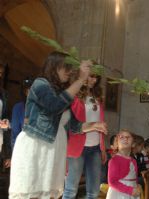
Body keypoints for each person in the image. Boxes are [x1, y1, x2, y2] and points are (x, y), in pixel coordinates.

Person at [9, 51, 105, 199]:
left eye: (70, 68)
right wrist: (80, 80)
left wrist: (94, 125)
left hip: (54, 149)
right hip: (37, 146)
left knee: (49, 195)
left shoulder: (62, 92)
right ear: (54, 66)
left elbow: (75, 126)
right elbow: (54, 106)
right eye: (65, 67)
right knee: (31, 193)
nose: (69, 71)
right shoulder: (40, 84)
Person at [63, 73, 108, 199]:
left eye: (96, 78)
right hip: (77, 147)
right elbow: (71, 123)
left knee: (94, 191)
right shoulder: (75, 95)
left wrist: (102, 147)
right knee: (71, 190)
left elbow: (100, 122)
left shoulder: (98, 97)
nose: (94, 80)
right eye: (91, 76)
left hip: (95, 148)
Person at [106, 130, 141, 199]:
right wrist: (130, 190)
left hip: (132, 193)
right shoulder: (114, 161)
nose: (125, 139)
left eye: (128, 137)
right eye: (122, 137)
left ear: (133, 143)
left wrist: (137, 185)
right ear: (116, 144)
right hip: (119, 194)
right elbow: (112, 182)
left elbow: (135, 178)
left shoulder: (133, 161)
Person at [11, 78, 33, 150]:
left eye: (31, 89)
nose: (29, 92)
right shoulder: (18, 107)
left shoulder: (41, 108)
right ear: (24, 92)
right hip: (21, 148)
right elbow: (15, 132)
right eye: (27, 90)